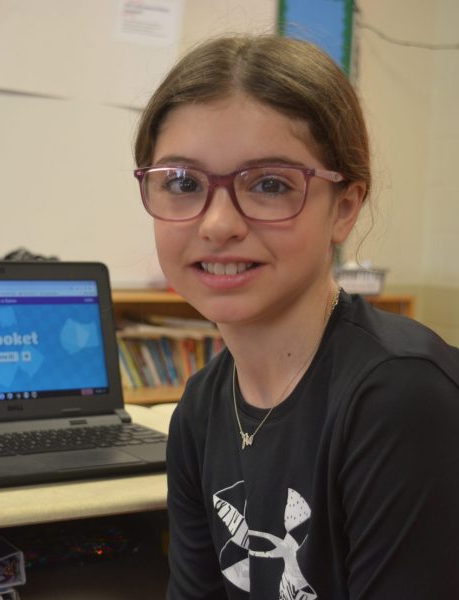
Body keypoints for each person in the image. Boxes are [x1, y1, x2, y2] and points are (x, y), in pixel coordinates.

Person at [132, 34, 459, 599]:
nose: (216, 225)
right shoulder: (199, 412)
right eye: (183, 183)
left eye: (269, 185)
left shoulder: (401, 398)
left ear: (345, 208)